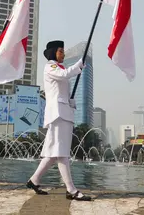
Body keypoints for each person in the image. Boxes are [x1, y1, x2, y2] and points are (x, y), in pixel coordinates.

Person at [26, 40, 91, 201]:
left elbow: (61, 90)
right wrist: (78, 66)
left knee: (53, 153)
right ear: (53, 52)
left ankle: (34, 180)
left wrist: (70, 100)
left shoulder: (59, 68)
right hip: (57, 114)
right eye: (61, 51)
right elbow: (64, 75)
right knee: (61, 153)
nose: (63, 54)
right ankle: (71, 190)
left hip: (63, 112)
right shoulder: (51, 67)